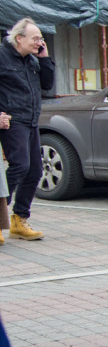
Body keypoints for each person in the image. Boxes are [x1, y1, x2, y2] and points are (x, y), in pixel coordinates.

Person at [0, 18, 54, 241]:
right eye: (36, 39)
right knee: (20, 166)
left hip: (31, 120)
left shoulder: (32, 59)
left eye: (41, 38)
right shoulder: (1, 56)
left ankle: (19, 220)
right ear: (19, 38)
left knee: (35, 172)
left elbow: (48, 84)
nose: (39, 42)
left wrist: (44, 58)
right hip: (11, 121)